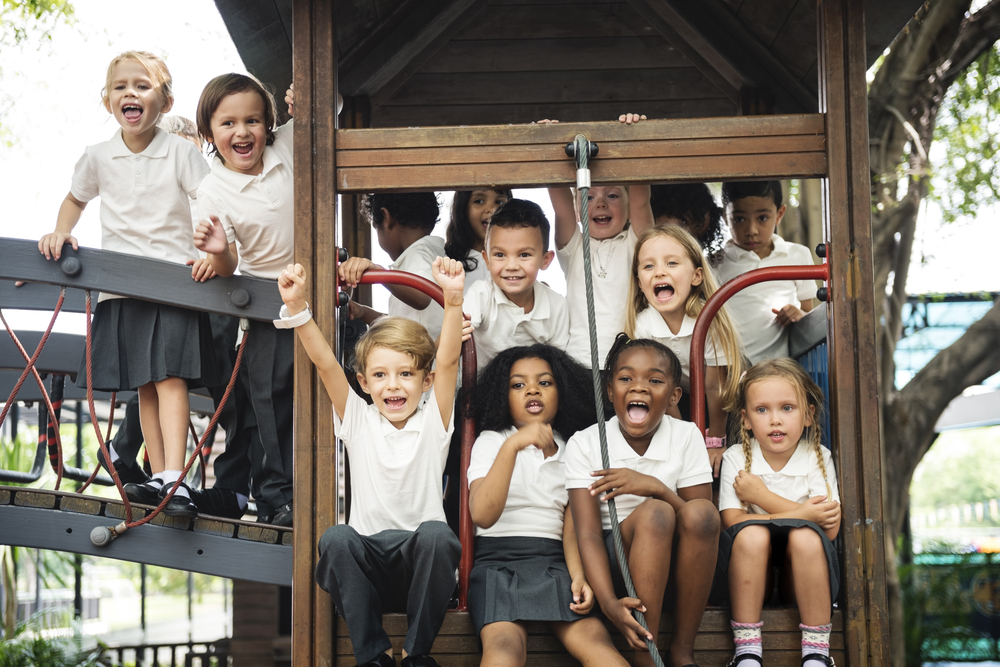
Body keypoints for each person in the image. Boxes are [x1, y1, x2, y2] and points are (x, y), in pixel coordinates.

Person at [38, 51, 216, 518]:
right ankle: (159, 475)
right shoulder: (98, 156)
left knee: (170, 378)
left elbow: (210, 201)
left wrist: (211, 252)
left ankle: (175, 476)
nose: (130, 93)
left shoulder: (181, 151)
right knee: (145, 385)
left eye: (142, 85)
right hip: (121, 287)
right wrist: (60, 230)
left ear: (166, 101)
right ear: (106, 101)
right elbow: (75, 199)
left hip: (173, 281)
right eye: (120, 87)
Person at [278, 257, 464, 667]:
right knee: (336, 539)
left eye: (405, 374)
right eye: (379, 375)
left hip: (421, 564)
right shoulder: (358, 419)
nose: (393, 385)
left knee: (437, 534)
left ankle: (416, 653)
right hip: (371, 568)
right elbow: (327, 363)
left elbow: (448, 361)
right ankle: (373, 654)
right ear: (363, 383)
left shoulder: (435, 421)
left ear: (425, 382)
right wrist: (298, 309)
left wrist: (453, 301)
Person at [468, 344, 628, 667]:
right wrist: (514, 445)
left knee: (599, 645)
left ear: (562, 391)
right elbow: (482, 515)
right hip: (497, 564)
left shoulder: (575, 449)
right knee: (504, 649)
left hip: (555, 564)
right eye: (518, 384)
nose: (532, 389)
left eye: (545, 382)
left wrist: (579, 576)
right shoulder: (493, 441)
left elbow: (572, 527)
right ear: (502, 394)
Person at [566, 335, 720, 667]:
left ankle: (682, 651)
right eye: (626, 378)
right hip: (612, 562)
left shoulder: (686, 435)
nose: (639, 387)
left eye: (654, 380)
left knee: (691, 511)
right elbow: (588, 534)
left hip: (679, 561)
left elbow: (700, 520)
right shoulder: (586, 443)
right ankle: (645, 656)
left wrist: (656, 488)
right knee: (656, 515)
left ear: (674, 395)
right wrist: (608, 602)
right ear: (610, 391)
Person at [192, 72, 295, 525]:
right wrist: (218, 251)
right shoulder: (212, 189)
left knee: (300, 397)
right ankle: (275, 498)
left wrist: (311, 97)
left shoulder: (285, 149)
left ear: (268, 122)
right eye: (228, 123)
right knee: (265, 397)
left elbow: (330, 107)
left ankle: (279, 489)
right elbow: (230, 264)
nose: (242, 132)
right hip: (260, 302)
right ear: (210, 132)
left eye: (252, 120)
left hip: (308, 294)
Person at [718, 358, 840, 667]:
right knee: (751, 536)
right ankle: (747, 652)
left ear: (809, 415)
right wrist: (802, 513)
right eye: (762, 410)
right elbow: (731, 522)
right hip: (747, 578)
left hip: (796, 579)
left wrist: (762, 497)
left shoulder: (817, 456)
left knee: (806, 539)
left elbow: (828, 527)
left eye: (787, 408)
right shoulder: (737, 458)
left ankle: (816, 653)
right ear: (745, 420)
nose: (775, 420)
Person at [624, 225, 744, 476]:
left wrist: (716, 441)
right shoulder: (644, 325)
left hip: (726, 396)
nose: (659, 273)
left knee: (727, 452)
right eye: (648, 266)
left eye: (671, 263)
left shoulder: (710, 319)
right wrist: (685, 442)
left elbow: (716, 388)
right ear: (640, 283)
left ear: (696, 276)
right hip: (681, 395)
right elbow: (660, 388)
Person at [541, 114, 655, 367]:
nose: (600, 203)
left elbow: (641, 199)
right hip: (579, 363)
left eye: (613, 195)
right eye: (589, 197)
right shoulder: (574, 247)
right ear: (577, 206)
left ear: (626, 205)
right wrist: (551, 142)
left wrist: (632, 136)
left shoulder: (637, 244)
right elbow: (559, 204)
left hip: (629, 362)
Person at [716, 181, 817, 363]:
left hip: (779, 373)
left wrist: (798, 315)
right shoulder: (715, 264)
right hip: (728, 374)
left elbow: (808, 315)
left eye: (762, 218)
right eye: (739, 219)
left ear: (779, 215)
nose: (751, 230)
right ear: (725, 217)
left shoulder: (798, 255)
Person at [462, 199, 570, 370]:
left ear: (545, 260)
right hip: (484, 390)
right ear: (486, 260)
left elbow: (559, 365)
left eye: (524, 255)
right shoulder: (481, 294)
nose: (511, 266)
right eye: (499, 255)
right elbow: (452, 341)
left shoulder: (557, 306)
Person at [339, 193, 446, 340]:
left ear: (386, 218)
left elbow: (422, 296)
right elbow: (399, 324)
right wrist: (363, 312)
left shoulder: (420, 253)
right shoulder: (429, 254)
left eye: (376, 228)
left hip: (427, 362)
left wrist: (379, 273)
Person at [445, 188, 512, 288]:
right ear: (463, 209)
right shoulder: (448, 263)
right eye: (479, 201)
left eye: (499, 202)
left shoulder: (515, 263)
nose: (492, 209)